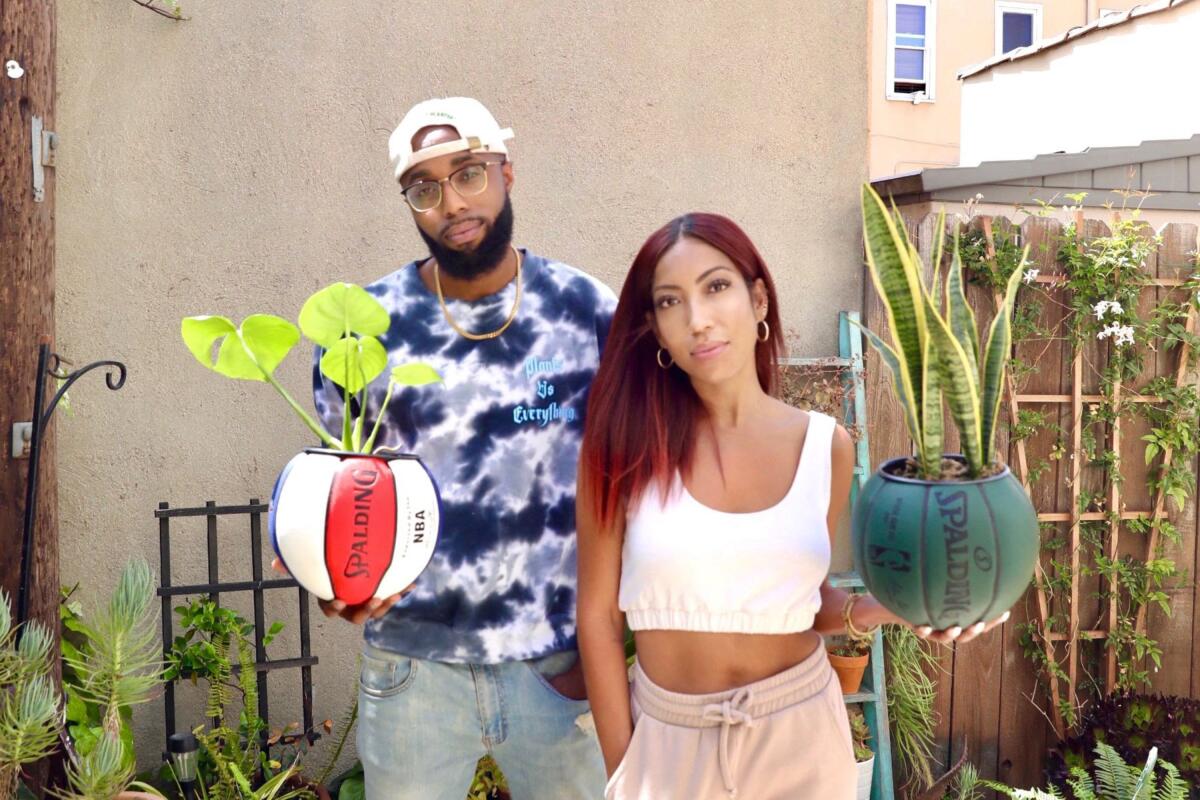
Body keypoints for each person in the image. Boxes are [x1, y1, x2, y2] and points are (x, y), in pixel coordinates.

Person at [576, 212, 1009, 799]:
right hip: (669, 748)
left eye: (716, 287)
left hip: (802, 741)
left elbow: (800, 602)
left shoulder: (824, 446)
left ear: (759, 301)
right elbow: (599, 618)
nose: (698, 320)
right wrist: (623, 766)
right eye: (671, 302)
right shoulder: (622, 448)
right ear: (654, 328)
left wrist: (890, 609)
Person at [307, 97, 614, 800]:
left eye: (469, 173)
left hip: (556, 667)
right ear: (410, 203)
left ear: (508, 173)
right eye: (426, 188)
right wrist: (335, 578)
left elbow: (634, 487)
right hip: (414, 669)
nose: (452, 202)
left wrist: (608, 647)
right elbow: (339, 489)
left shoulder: (586, 311)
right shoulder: (363, 330)